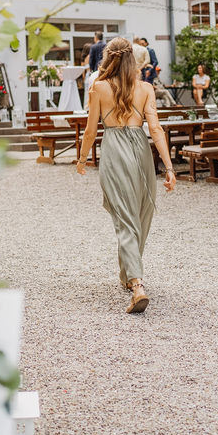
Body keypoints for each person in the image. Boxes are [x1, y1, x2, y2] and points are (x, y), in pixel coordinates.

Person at [77, 37, 176, 314]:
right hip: (141, 150)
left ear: (108, 59)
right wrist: (168, 168)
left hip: (114, 150)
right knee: (140, 215)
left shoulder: (97, 88)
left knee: (125, 218)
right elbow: (156, 130)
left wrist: (82, 158)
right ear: (132, 60)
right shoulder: (146, 88)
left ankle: (136, 284)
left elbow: (90, 131)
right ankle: (129, 275)